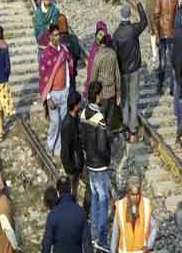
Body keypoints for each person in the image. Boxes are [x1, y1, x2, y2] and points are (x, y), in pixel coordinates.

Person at [81, 80, 112, 252]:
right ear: (98, 95)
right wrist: (107, 159)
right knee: (103, 199)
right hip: (100, 165)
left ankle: (93, 235)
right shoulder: (99, 117)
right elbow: (102, 145)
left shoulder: (84, 112)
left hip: (90, 163)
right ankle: (101, 238)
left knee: (94, 197)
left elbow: (82, 137)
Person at [113, 0, 148, 141]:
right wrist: (138, 4)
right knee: (134, 100)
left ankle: (126, 125)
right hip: (134, 70)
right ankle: (133, 129)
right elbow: (145, 21)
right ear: (129, 16)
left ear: (121, 16)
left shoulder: (116, 35)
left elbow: (115, 56)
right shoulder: (133, 30)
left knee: (125, 100)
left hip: (123, 71)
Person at [39, 24, 74, 158]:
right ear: (50, 37)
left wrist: (68, 87)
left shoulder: (64, 51)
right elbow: (43, 78)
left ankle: (59, 149)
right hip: (53, 94)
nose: (57, 37)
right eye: (54, 35)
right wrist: (48, 98)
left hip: (64, 91)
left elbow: (67, 69)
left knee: (64, 121)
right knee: (55, 122)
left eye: (58, 35)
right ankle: (49, 145)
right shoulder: (46, 54)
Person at [40, 176, 88, 253]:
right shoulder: (81, 212)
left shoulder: (53, 215)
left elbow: (47, 245)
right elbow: (87, 243)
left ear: (58, 192)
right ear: (70, 190)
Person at [110, 176, 156, 253]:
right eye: (133, 195)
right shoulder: (120, 206)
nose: (135, 197)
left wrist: (149, 245)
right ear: (128, 193)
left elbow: (154, 227)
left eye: (137, 194)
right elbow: (115, 232)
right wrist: (113, 250)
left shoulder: (146, 205)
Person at [59, 92, 84, 184]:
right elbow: (65, 149)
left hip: (78, 158)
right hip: (73, 163)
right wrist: (70, 169)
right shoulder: (67, 124)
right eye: (79, 103)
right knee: (73, 185)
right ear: (75, 105)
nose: (81, 104)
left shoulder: (75, 117)